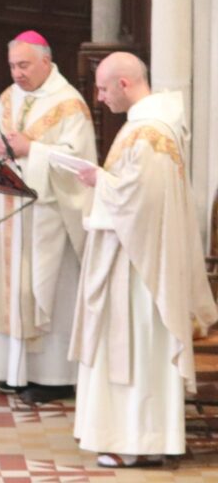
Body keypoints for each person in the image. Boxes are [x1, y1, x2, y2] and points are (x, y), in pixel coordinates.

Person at [70, 52, 218, 468]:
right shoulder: (146, 125)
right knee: (134, 352)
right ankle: (136, 438)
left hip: (140, 270)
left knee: (135, 352)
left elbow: (143, 202)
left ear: (124, 83)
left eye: (103, 88)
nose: (99, 98)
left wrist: (99, 180)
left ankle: (136, 441)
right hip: (135, 258)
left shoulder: (150, 132)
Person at [0, 30, 97, 405]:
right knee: (11, 291)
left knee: (48, 292)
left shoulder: (70, 105)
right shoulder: (8, 97)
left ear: (46, 61)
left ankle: (53, 378)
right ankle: (10, 372)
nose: (17, 73)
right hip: (10, 212)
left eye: (24, 65)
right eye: (13, 65)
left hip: (48, 218)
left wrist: (32, 149)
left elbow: (78, 164)